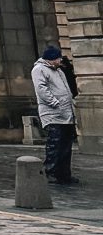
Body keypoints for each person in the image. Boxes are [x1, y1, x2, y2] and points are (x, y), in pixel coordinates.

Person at [33, 44, 78, 186]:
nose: (60, 60)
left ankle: (64, 174)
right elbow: (41, 89)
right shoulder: (39, 69)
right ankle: (50, 172)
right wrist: (55, 103)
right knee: (55, 144)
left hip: (66, 113)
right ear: (52, 58)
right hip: (53, 114)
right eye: (58, 58)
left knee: (66, 146)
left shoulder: (59, 71)